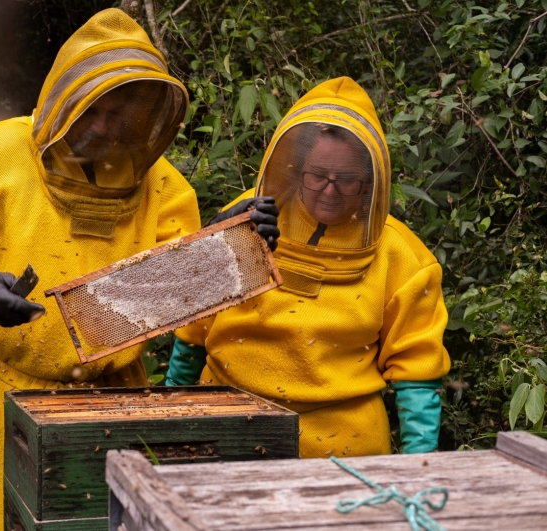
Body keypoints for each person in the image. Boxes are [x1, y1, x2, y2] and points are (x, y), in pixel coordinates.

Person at [0, 9, 211, 530]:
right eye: (92, 109)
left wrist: (228, 243)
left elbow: (187, 288)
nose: (103, 127)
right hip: (2, 398)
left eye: (120, 113)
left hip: (116, 403)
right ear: (66, 97)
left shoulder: (164, 186)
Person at [166, 76, 451, 458]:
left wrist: (420, 470)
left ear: (369, 183)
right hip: (223, 424)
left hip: (343, 448)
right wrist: (170, 419)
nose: (329, 191)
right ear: (298, 167)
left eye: (347, 181)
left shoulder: (403, 256)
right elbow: (191, 330)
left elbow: (417, 373)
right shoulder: (247, 216)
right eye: (318, 176)